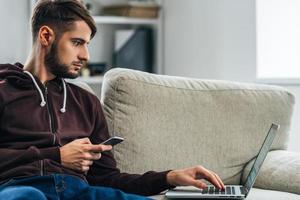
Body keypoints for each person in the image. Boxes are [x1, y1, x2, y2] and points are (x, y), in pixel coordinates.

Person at [0, 0, 225, 199]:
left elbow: (108, 178)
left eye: (87, 44)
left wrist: (169, 177)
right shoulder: (4, 90)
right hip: (19, 188)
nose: (86, 56)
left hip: (78, 191)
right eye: (77, 42)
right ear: (46, 36)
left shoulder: (86, 102)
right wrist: (58, 155)